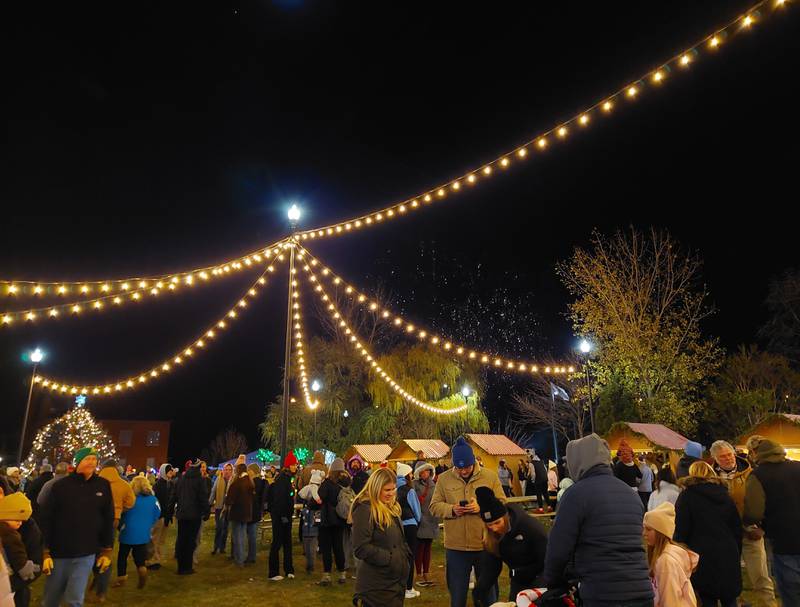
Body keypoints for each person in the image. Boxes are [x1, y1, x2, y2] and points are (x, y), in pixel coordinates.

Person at [543, 433, 653, 607]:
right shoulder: (630, 495)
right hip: (641, 590)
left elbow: (558, 548)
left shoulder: (576, 494)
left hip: (602, 593)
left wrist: (553, 583)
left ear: (576, 462)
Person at [429, 436, 505, 607]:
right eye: (459, 467)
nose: (463, 471)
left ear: (474, 462)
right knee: (457, 597)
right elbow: (434, 506)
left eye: (467, 466)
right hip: (456, 548)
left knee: (488, 596)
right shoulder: (443, 479)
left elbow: (503, 504)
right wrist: (452, 510)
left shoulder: (490, 477)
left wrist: (482, 507)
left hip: (484, 546)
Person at [39, 447, 115, 607]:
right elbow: (47, 519)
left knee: (75, 600)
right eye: (88, 459)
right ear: (78, 461)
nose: (92, 462)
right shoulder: (61, 486)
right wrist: (45, 551)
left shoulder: (103, 485)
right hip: (59, 553)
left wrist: (107, 549)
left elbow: (108, 518)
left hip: (86, 553)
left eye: (94, 459)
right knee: (51, 599)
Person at [711, 440, 777, 607]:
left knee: (760, 576)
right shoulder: (710, 477)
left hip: (750, 532)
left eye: (729, 454)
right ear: (715, 459)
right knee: (728, 576)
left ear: (734, 453)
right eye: (722, 457)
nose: (727, 459)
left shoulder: (751, 474)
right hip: (724, 535)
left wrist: (763, 527)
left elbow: (766, 501)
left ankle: (769, 604)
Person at [674, 461, 742, 607]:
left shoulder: (686, 497)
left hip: (700, 552)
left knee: (707, 598)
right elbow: (736, 526)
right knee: (729, 597)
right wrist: (737, 550)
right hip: (727, 549)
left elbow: (681, 529)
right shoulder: (725, 495)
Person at [744, 438, 800, 607]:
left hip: (783, 540)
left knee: (791, 594)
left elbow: (754, 512)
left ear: (757, 454)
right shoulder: (798, 467)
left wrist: (750, 524)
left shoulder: (759, 475)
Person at [473, 486, 548, 607]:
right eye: (489, 525)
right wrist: (481, 588)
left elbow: (547, 557)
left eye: (497, 522)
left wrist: (530, 572)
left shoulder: (529, 527)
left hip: (540, 577)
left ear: (505, 517)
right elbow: (491, 566)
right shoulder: (491, 537)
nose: (494, 528)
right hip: (518, 580)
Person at [351, 467, 411, 607]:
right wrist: (390, 559)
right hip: (377, 586)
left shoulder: (391, 508)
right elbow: (361, 547)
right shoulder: (365, 509)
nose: (391, 494)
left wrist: (404, 556)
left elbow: (398, 540)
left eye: (393, 489)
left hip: (394, 583)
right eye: (387, 490)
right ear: (376, 488)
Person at [91, 458, 136, 601]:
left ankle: (96, 578)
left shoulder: (93, 482)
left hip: (92, 521)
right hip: (112, 522)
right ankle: (101, 592)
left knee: (90, 552)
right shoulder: (124, 485)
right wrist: (119, 510)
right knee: (106, 553)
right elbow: (131, 502)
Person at [643, 502, 698, 607]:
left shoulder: (665, 561)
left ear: (661, 533)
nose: (644, 533)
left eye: (649, 529)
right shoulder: (670, 553)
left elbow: (670, 600)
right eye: (644, 528)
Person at [114, 476, 160, 589]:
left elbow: (122, 513)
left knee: (122, 556)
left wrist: (121, 526)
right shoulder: (153, 500)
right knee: (139, 556)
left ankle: (121, 578)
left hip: (127, 531)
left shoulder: (130, 499)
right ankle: (142, 571)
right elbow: (157, 513)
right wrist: (148, 524)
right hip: (143, 533)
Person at [0, 492, 41, 607]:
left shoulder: (29, 529)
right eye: (16, 520)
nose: (19, 522)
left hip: (11, 583)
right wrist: (27, 569)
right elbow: (19, 557)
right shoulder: (10, 534)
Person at [174, 458, 210, 575]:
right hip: (194, 515)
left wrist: (170, 512)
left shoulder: (181, 479)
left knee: (181, 539)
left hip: (182, 515)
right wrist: (206, 512)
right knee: (190, 541)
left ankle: (180, 566)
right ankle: (187, 567)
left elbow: (174, 496)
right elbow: (203, 498)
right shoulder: (200, 480)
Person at [266, 451, 297, 581]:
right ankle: (273, 572)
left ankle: (289, 569)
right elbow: (279, 500)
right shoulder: (282, 480)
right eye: (294, 465)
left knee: (287, 543)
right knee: (277, 542)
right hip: (280, 516)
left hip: (285, 516)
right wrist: (283, 516)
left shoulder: (288, 479)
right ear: (288, 466)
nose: (296, 467)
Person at [317, 457, 348, 586]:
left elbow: (319, 497)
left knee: (326, 547)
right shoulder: (345, 483)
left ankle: (327, 575)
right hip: (340, 519)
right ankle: (342, 573)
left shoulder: (327, 484)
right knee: (339, 547)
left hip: (327, 520)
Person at [395, 462, 421, 599]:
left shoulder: (393, 489)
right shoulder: (409, 490)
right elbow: (416, 509)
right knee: (410, 556)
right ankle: (409, 588)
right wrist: (418, 520)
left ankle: (399, 585)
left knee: (399, 556)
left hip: (397, 525)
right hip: (410, 524)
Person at [412, 462, 439, 587]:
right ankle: (418, 573)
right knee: (420, 547)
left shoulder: (434, 485)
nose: (426, 474)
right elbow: (414, 502)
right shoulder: (414, 485)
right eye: (423, 471)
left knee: (428, 546)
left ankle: (426, 572)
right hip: (420, 517)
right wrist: (419, 517)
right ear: (419, 472)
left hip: (432, 518)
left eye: (428, 471)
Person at [226, 463, 255, 567]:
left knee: (237, 537)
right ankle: (242, 557)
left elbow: (229, 499)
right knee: (242, 536)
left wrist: (227, 503)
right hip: (246, 513)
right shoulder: (250, 483)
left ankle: (239, 560)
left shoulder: (237, 483)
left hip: (237, 513)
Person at [147, 463, 175, 570]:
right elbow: (156, 502)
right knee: (155, 538)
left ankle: (157, 559)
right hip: (159, 516)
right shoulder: (158, 485)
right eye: (168, 471)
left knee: (161, 539)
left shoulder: (170, 484)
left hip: (166, 516)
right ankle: (152, 560)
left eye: (171, 471)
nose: (170, 473)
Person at [211, 463, 233, 555]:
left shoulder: (232, 481)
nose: (227, 471)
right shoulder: (218, 479)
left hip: (228, 508)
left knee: (225, 528)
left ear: (232, 471)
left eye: (229, 470)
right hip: (219, 507)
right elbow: (213, 491)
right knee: (219, 527)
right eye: (226, 469)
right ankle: (216, 547)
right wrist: (210, 503)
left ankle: (222, 547)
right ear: (223, 470)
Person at [247, 463, 266, 564]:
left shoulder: (253, 483)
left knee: (251, 535)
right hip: (257, 511)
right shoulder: (261, 482)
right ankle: (252, 555)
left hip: (252, 512)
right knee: (252, 535)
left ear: (251, 471)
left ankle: (251, 556)